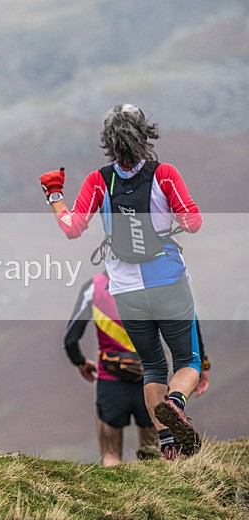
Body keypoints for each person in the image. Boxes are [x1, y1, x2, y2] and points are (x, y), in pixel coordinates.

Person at [40, 104, 205, 460]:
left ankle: (168, 448)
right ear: (146, 134)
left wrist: (55, 194)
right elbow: (193, 223)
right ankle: (176, 403)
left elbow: (72, 228)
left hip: (126, 290)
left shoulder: (98, 180)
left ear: (109, 143)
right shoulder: (165, 174)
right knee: (187, 360)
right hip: (168, 282)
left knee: (153, 368)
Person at [64, 271, 211, 465]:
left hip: (111, 380)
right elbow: (188, 323)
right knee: (151, 453)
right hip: (150, 381)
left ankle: (114, 494)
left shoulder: (94, 287)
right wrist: (203, 364)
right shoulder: (157, 284)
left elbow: (70, 339)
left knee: (110, 454)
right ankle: (151, 492)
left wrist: (80, 362)